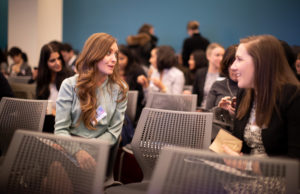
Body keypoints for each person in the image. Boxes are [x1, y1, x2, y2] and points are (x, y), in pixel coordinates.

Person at [222, 35, 300, 160]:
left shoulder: (293, 97)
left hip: (276, 179)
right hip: (242, 175)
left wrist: (247, 165)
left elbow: (295, 160)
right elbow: (240, 143)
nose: (233, 66)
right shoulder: (245, 93)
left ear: (261, 63)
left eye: (239, 59)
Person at [55, 32, 128, 147]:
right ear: (94, 55)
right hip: (69, 146)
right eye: (108, 53)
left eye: (115, 54)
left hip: (100, 149)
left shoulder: (120, 89)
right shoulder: (69, 85)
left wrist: (89, 149)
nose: (114, 59)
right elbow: (60, 130)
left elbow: (113, 134)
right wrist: (77, 151)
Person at [206, 45, 238, 111]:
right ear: (226, 65)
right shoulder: (217, 85)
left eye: (238, 64)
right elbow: (207, 113)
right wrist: (219, 109)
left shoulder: (251, 88)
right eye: (231, 64)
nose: (234, 68)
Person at [118, 45, 146, 122]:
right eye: (116, 58)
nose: (118, 62)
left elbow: (142, 96)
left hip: (133, 108)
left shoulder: (137, 71)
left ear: (129, 58)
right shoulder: (110, 70)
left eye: (121, 58)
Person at [192, 43, 225, 109]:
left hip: (218, 113)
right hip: (201, 111)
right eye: (217, 55)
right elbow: (195, 95)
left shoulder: (225, 75)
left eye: (223, 55)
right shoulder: (200, 73)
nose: (221, 58)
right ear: (208, 56)